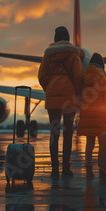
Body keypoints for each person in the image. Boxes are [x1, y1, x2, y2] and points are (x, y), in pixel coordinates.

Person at [38, 26, 83, 177]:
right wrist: (77, 93)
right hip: (69, 97)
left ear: (55, 38)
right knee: (68, 132)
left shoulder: (48, 55)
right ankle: (66, 168)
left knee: (54, 133)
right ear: (68, 38)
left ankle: (54, 168)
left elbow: (41, 77)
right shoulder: (73, 55)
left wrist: (50, 89)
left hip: (52, 95)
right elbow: (78, 76)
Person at [76, 53, 106, 178]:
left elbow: (79, 98)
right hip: (101, 118)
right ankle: (103, 167)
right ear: (102, 65)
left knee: (89, 144)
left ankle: (88, 166)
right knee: (103, 144)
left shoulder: (83, 80)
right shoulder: (104, 80)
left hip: (87, 118)